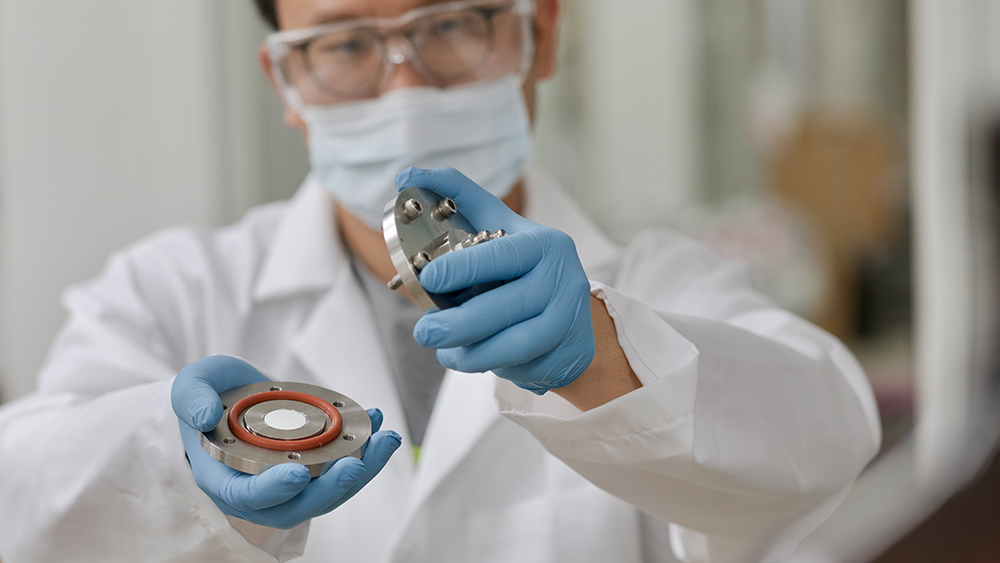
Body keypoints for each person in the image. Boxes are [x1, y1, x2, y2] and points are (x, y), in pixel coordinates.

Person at [0, 1, 881, 562]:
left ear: (538, 33)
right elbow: (22, 501)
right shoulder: (174, 289)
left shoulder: (659, 278)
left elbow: (827, 432)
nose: (407, 85)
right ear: (286, 79)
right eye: (345, 43)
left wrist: (605, 358)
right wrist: (170, 464)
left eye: (451, 24)